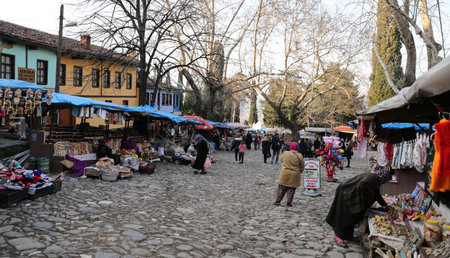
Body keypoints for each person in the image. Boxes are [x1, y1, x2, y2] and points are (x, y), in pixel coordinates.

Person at [326, 169, 393, 247]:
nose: (384, 183)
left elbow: (376, 194)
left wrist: (384, 205)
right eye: (385, 181)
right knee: (345, 215)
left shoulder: (375, 179)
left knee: (352, 216)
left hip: (351, 192)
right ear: (383, 179)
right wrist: (363, 205)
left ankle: (347, 236)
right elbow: (360, 190)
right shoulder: (369, 180)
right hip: (346, 193)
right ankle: (338, 236)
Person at [273, 142, 305, 207]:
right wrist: (299, 172)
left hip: (285, 173)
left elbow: (281, 159)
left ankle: (278, 201)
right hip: (294, 175)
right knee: (291, 189)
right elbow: (302, 166)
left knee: (281, 188)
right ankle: (288, 202)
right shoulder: (299, 155)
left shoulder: (285, 153)